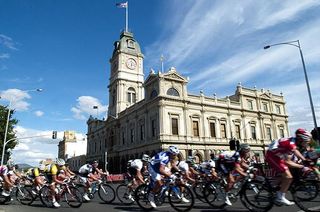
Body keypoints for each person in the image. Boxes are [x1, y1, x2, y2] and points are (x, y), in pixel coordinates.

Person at [265, 128, 311, 206]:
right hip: (272, 156)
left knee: (287, 176)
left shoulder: (293, 141)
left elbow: (295, 151)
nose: (306, 144)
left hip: (277, 155)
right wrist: (302, 166)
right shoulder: (290, 144)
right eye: (306, 142)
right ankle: (279, 197)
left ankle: (274, 187)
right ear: (300, 139)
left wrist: (304, 159)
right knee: (288, 177)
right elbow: (288, 162)